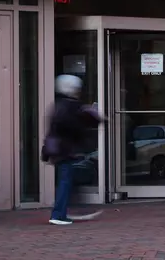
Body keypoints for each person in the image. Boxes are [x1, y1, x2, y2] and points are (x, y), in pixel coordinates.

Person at [42, 74, 104, 226]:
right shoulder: (69, 105)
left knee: (69, 179)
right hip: (65, 150)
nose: (78, 91)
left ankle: (64, 211)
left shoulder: (61, 104)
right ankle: (58, 214)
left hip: (62, 149)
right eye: (76, 89)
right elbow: (68, 126)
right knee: (66, 180)